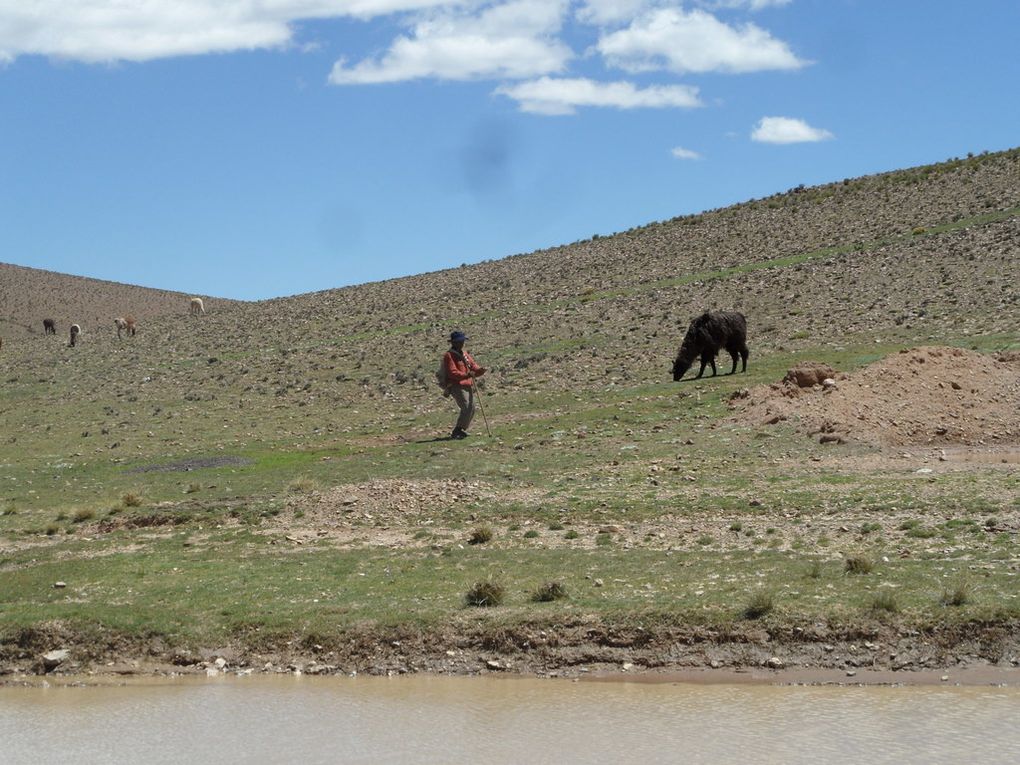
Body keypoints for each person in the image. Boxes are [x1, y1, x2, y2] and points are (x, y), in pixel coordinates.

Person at [443, 331, 486, 439]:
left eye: (462, 341)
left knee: (472, 407)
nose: (462, 344)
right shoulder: (449, 356)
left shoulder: (464, 354)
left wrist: (480, 370)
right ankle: (457, 431)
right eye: (459, 342)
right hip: (457, 385)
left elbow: (472, 365)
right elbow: (452, 372)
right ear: (454, 343)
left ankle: (461, 429)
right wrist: (467, 375)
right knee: (466, 407)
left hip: (467, 384)